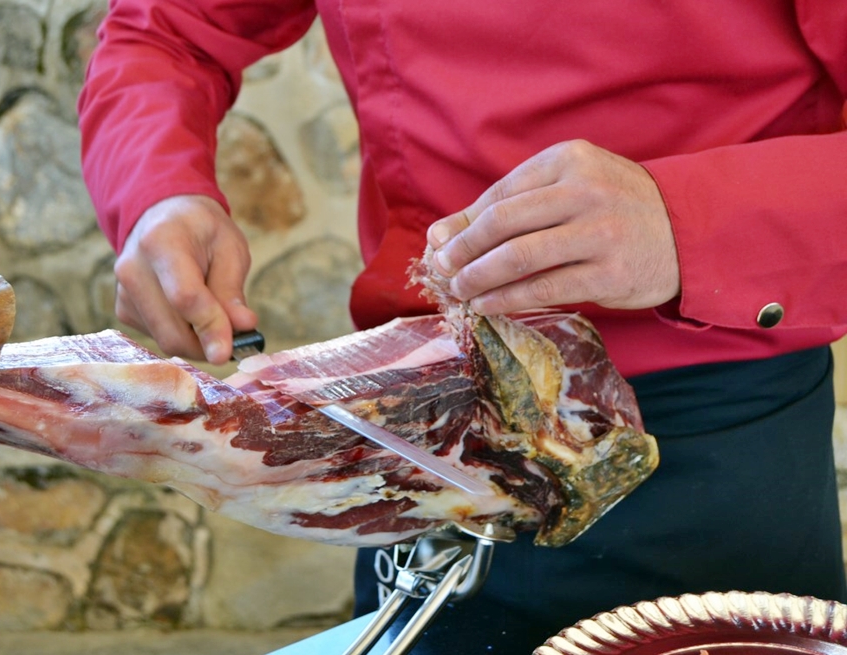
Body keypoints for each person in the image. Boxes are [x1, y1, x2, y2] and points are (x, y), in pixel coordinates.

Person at [77, 2, 847, 651]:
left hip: (711, 436)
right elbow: (169, 26)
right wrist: (154, 191)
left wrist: (691, 222)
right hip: (416, 429)